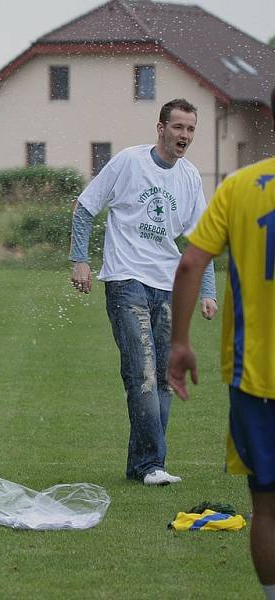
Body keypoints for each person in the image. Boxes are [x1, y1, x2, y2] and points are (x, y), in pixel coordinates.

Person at [69, 98, 218, 486]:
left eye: (190, 129)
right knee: (142, 375)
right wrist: (79, 259)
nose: (184, 136)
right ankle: (153, 464)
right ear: (161, 127)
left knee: (165, 376)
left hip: (168, 287)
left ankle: (143, 465)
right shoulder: (128, 163)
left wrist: (208, 290)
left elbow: (202, 240)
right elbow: (86, 207)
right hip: (126, 280)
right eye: (178, 127)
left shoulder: (188, 178)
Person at [168, 88, 275, 599]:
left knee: (267, 507)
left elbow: (191, 262)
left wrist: (181, 341)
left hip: (255, 378)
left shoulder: (240, 187)